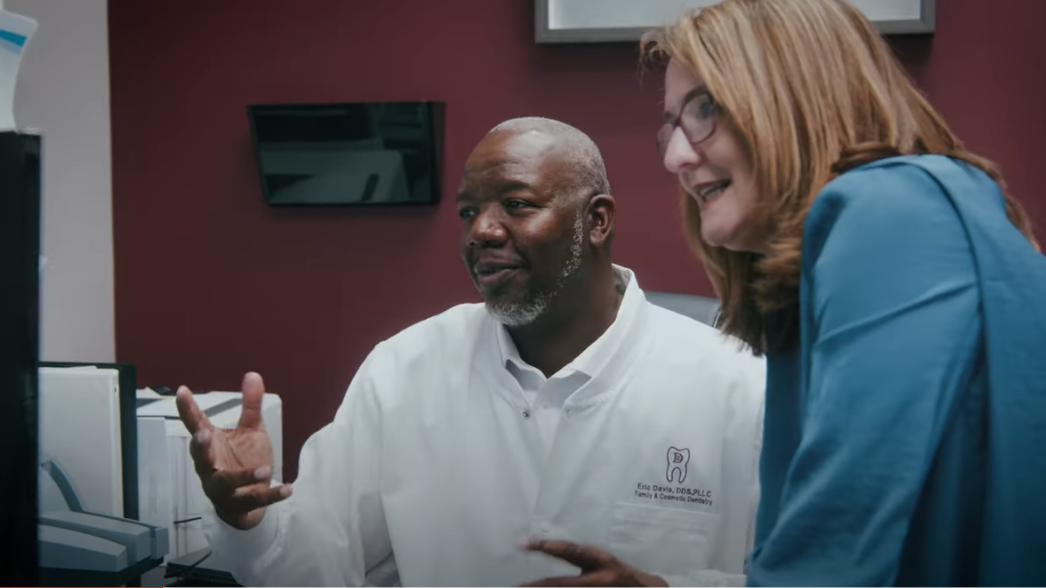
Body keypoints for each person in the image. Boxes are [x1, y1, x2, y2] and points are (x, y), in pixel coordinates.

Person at [176, 117, 766, 587]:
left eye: (516, 203)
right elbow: (318, 568)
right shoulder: (404, 371)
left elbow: (817, 574)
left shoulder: (736, 384)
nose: (479, 230)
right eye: (468, 211)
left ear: (597, 222)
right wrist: (247, 520)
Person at [642, 0, 1046, 585]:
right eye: (672, 126)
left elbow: (839, 548)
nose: (677, 156)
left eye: (705, 108)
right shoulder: (826, 253)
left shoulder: (889, 213)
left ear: (792, 96)